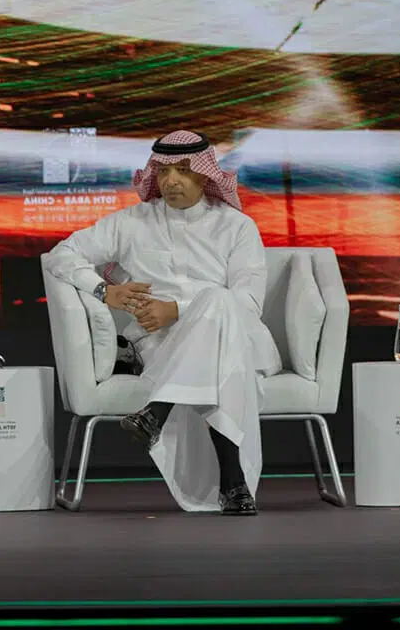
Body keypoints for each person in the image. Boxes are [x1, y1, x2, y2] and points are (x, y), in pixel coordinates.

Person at [42, 130, 281, 515]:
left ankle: (159, 411)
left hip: (240, 336)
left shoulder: (237, 227)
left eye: (184, 170)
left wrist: (177, 309)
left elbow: (248, 302)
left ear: (206, 174)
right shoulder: (132, 222)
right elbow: (61, 255)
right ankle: (233, 483)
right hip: (161, 344)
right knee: (222, 356)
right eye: (164, 170)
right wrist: (104, 290)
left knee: (219, 302)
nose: (171, 180)